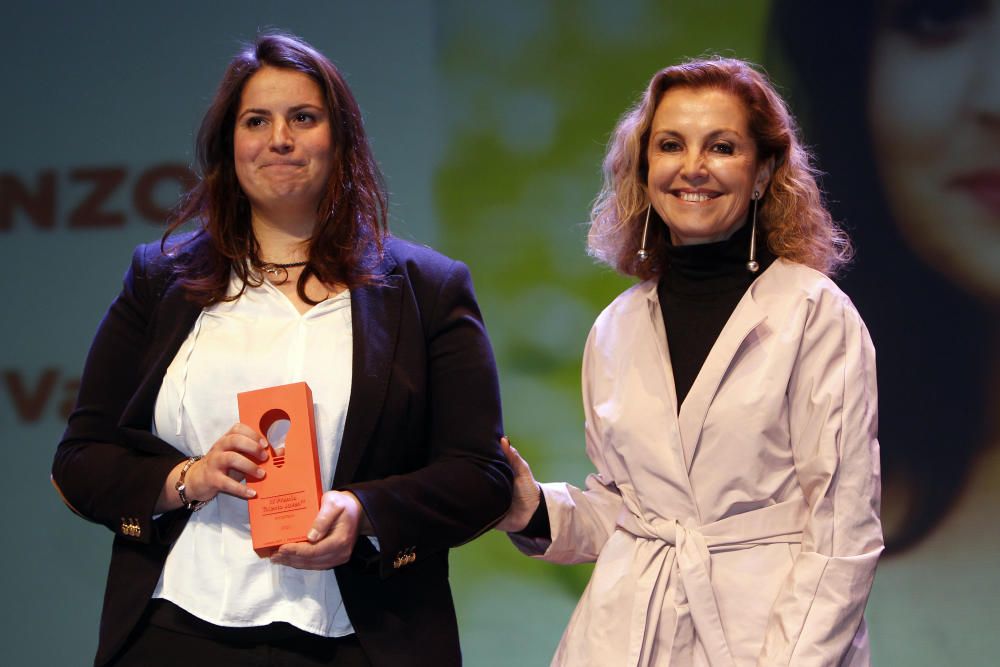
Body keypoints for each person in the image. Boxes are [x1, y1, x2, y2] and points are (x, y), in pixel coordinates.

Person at [51, 32, 512, 667]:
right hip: (177, 626)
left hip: (363, 635)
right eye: (256, 121)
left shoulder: (427, 289)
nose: (279, 139)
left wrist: (364, 512)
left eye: (303, 117)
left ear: (340, 140)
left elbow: (481, 475)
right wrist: (188, 478)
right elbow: (80, 459)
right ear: (228, 147)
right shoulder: (160, 280)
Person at [496, 57, 883, 666]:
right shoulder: (615, 327)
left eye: (722, 146)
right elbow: (630, 515)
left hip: (768, 643)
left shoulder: (813, 314)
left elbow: (842, 535)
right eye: (671, 145)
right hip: (625, 638)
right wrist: (531, 507)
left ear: (762, 172)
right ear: (645, 167)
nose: (693, 168)